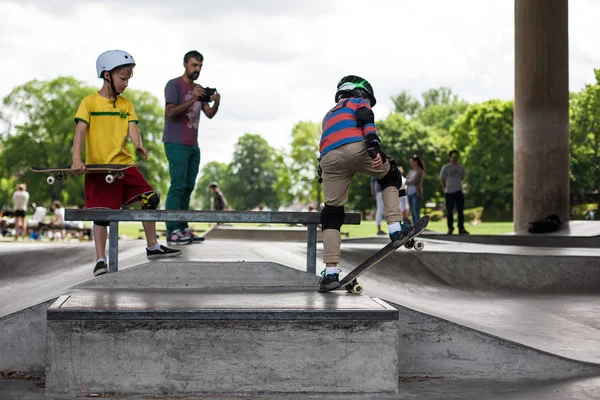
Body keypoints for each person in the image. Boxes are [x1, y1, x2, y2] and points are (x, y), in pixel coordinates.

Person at [71, 49, 181, 277]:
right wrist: (76, 159)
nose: (126, 83)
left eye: (129, 78)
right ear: (106, 75)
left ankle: (152, 246)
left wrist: (138, 143)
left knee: (151, 197)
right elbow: (80, 132)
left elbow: (132, 127)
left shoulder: (126, 104)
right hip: (98, 168)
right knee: (102, 214)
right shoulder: (89, 102)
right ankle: (101, 260)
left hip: (124, 165)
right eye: (123, 78)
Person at [317, 75, 417, 292]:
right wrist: (374, 145)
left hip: (329, 158)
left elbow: (325, 141)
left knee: (332, 212)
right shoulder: (357, 102)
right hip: (356, 147)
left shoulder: (328, 115)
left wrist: (322, 166)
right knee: (392, 176)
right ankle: (395, 228)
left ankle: (330, 273)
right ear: (360, 92)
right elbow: (366, 118)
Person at [163, 50, 220, 245]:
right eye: (194, 65)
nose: (197, 69)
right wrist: (192, 99)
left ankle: (182, 228)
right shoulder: (174, 85)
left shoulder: (199, 88)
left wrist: (217, 102)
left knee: (188, 188)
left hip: (193, 145)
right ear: (185, 64)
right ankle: (171, 230)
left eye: (200, 66)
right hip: (175, 142)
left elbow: (209, 113)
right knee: (177, 186)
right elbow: (171, 112)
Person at [440, 150, 469, 235]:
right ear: (450, 157)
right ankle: (450, 228)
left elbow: (462, 177)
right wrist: (445, 188)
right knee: (449, 211)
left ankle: (461, 228)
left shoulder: (461, 168)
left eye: (456, 157)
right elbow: (442, 179)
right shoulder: (446, 168)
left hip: (459, 191)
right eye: (453, 156)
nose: (454, 158)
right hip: (449, 192)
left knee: (460, 211)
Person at [406, 154, 426, 226]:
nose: (411, 163)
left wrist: (409, 181)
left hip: (416, 193)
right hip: (409, 193)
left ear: (416, 162)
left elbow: (416, 181)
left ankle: (418, 227)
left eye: (412, 161)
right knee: (412, 211)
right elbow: (406, 181)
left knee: (416, 211)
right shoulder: (411, 171)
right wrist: (409, 181)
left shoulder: (420, 171)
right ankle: (414, 227)